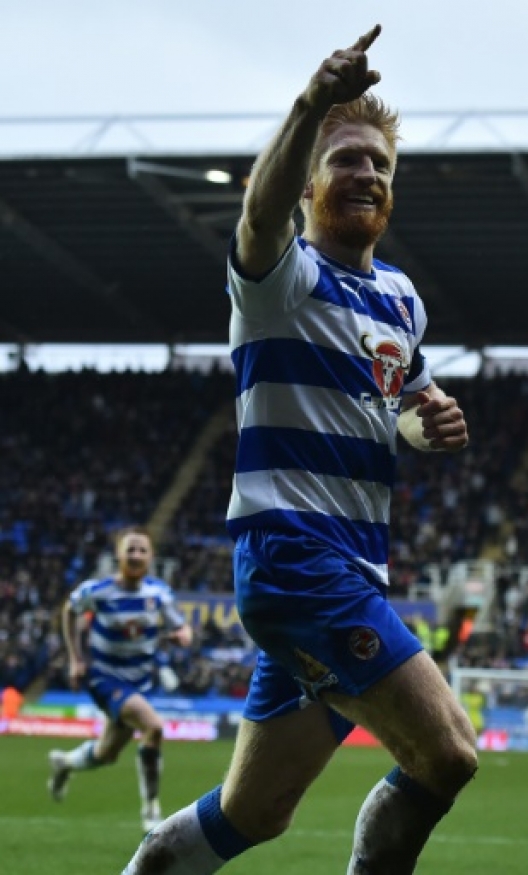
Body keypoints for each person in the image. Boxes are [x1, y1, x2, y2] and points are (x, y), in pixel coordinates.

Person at [121, 23, 478, 875]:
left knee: (254, 812)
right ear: (311, 178)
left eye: (379, 164)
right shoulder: (281, 277)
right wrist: (311, 104)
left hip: (351, 569)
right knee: (449, 751)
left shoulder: (401, 298)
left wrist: (426, 422)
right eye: (345, 158)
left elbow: (397, 399)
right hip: (295, 559)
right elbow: (256, 211)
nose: (364, 173)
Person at [47, 526, 193, 833]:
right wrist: (75, 659)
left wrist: (182, 635)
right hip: (105, 678)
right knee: (153, 727)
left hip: (140, 682)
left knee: (106, 753)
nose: (136, 555)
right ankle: (151, 810)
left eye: (142, 550)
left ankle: (64, 763)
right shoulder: (97, 591)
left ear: (151, 557)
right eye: (131, 549)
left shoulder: (158, 594)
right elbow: (69, 612)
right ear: (119, 555)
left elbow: (183, 629)